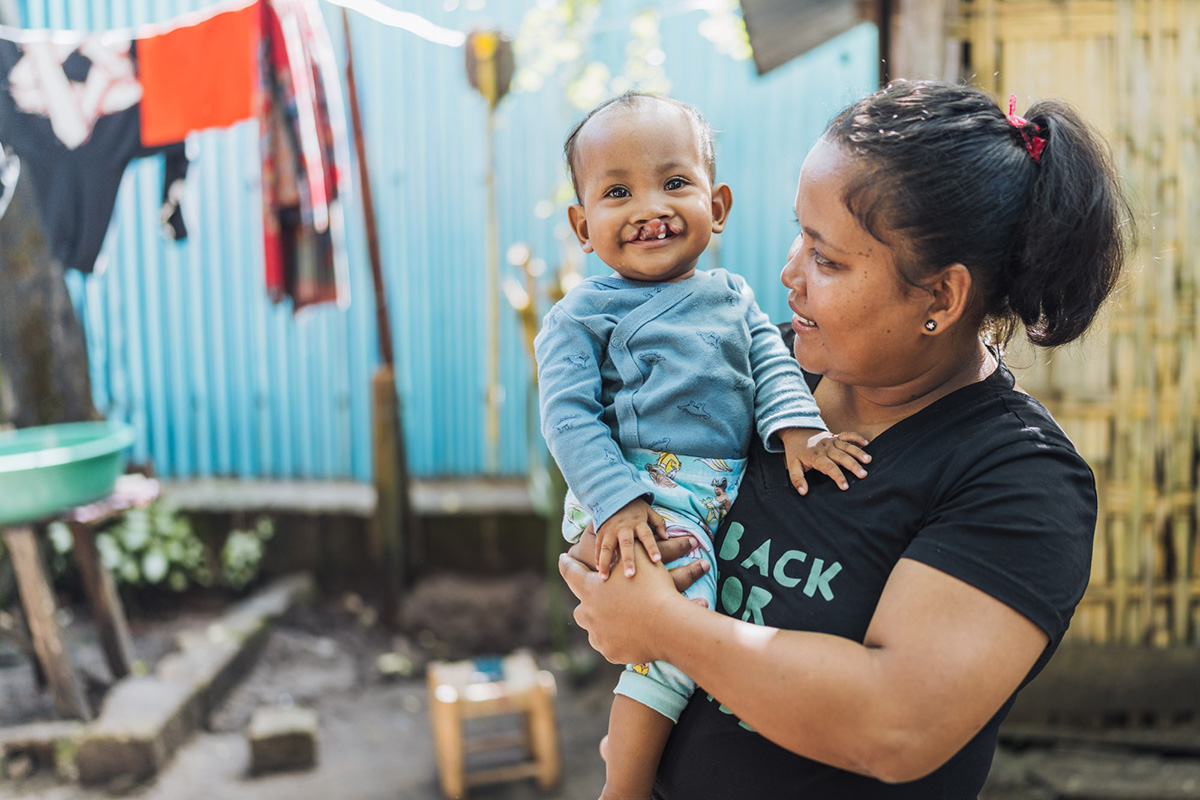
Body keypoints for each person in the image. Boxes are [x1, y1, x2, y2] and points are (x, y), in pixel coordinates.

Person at [558, 79, 1131, 798]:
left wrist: (662, 629)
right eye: (799, 233)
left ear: (941, 297)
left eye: (827, 260)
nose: (788, 273)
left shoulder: (1018, 478)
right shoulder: (752, 371)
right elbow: (623, 491)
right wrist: (608, 559)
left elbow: (893, 724)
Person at [535, 92, 871, 800]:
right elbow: (567, 418)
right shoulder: (581, 316)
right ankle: (622, 784)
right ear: (582, 225)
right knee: (683, 641)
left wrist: (798, 430)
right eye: (618, 191)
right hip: (641, 496)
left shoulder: (734, 296)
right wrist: (619, 504)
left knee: (679, 645)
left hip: (714, 493)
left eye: (674, 182)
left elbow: (773, 365)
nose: (648, 205)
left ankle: (634, 744)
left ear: (716, 207)